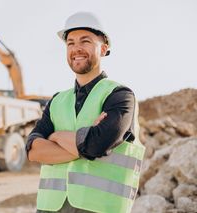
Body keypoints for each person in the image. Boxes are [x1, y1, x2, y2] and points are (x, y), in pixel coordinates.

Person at [26, 12, 145, 213]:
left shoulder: (120, 96)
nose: (76, 48)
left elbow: (97, 144)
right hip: (50, 208)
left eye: (85, 41)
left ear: (104, 48)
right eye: (70, 43)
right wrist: (83, 143)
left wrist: (55, 137)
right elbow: (33, 151)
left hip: (100, 208)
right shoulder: (57, 101)